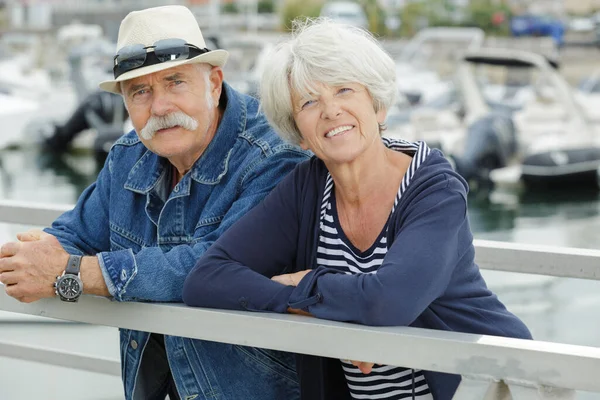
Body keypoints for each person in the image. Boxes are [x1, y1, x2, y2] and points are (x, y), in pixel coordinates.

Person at [183, 18, 532, 400]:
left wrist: (307, 283)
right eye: (309, 102)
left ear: (378, 106)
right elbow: (207, 279)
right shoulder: (306, 188)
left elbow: (388, 301)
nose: (331, 111)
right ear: (299, 134)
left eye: (344, 90)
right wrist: (306, 304)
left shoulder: (434, 189)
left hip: (494, 384)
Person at [0, 5, 308, 400]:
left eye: (175, 81)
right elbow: (75, 234)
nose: (159, 107)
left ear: (214, 83)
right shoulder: (129, 154)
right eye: (140, 91)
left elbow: (215, 267)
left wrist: (73, 273)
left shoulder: (273, 155)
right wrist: (30, 259)